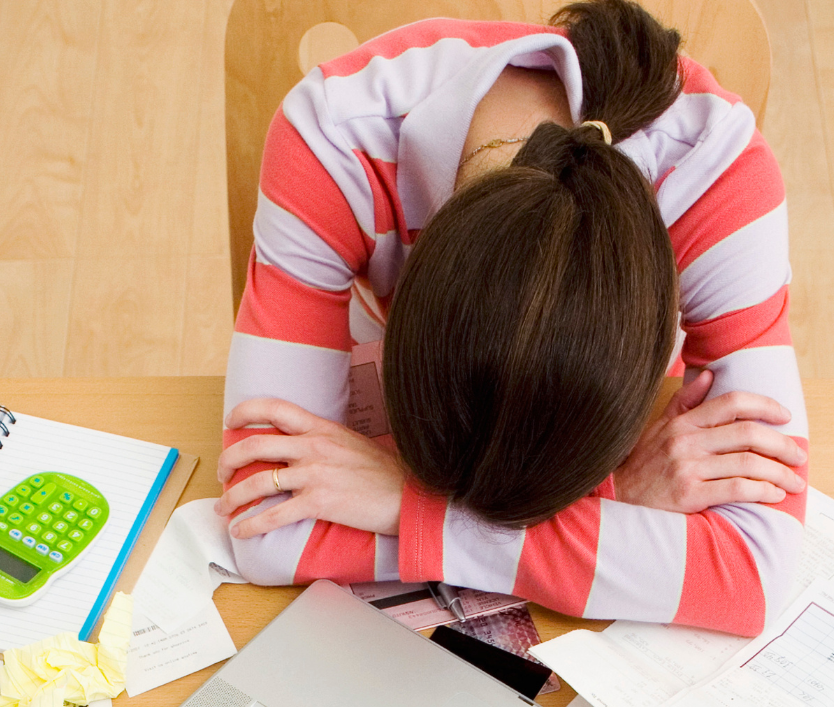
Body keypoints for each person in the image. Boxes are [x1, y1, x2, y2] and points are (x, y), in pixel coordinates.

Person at [215, 0, 806, 636]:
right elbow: (266, 524)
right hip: (429, 400)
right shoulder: (334, 136)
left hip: (580, 414)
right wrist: (616, 505)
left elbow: (756, 574)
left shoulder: (716, 171)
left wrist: (402, 503)